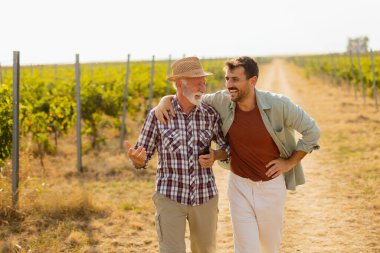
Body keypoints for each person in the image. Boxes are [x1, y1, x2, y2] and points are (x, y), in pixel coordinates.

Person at [155, 56, 321, 253]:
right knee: (245, 249)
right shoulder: (222, 101)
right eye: (227, 79)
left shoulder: (279, 105)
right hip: (239, 186)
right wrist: (164, 101)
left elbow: (312, 132)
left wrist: (289, 163)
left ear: (252, 81)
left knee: (270, 247)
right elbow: (187, 96)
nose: (229, 85)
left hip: (271, 187)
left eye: (235, 80)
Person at [124, 56, 230, 253]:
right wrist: (138, 161)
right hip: (170, 196)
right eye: (198, 82)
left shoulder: (210, 115)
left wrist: (216, 155)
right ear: (181, 84)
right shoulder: (158, 115)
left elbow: (228, 149)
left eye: (204, 82)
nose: (203, 88)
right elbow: (142, 157)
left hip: (204, 196)